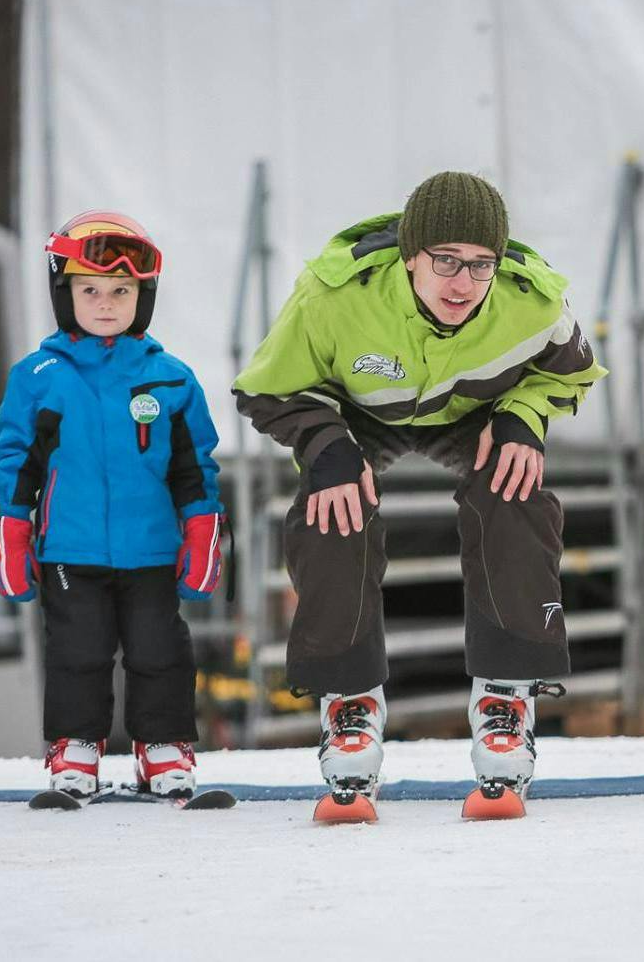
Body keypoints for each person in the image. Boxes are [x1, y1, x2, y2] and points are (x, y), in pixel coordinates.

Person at [233, 171, 605, 815]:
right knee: (331, 510)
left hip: (473, 412)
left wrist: (525, 418)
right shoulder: (333, 295)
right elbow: (267, 386)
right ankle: (348, 705)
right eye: (445, 261)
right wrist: (325, 447)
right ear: (411, 257)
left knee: (516, 492)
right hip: (357, 415)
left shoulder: (533, 301)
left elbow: (573, 372)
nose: (463, 283)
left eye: (481, 264)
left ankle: (506, 699)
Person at [0, 211, 224, 799]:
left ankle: (163, 748)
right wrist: (13, 534)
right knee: (78, 651)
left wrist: (202, 533)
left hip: (151, 549)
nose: (106, 303)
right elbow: (17, 465)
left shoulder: (171, 379)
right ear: (63, 295)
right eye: (89, 290)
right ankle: (76, 747)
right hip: (70, 547)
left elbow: (195, 467)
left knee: (160, 647)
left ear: (143, 297)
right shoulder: (38, 377)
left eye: (122, 291)